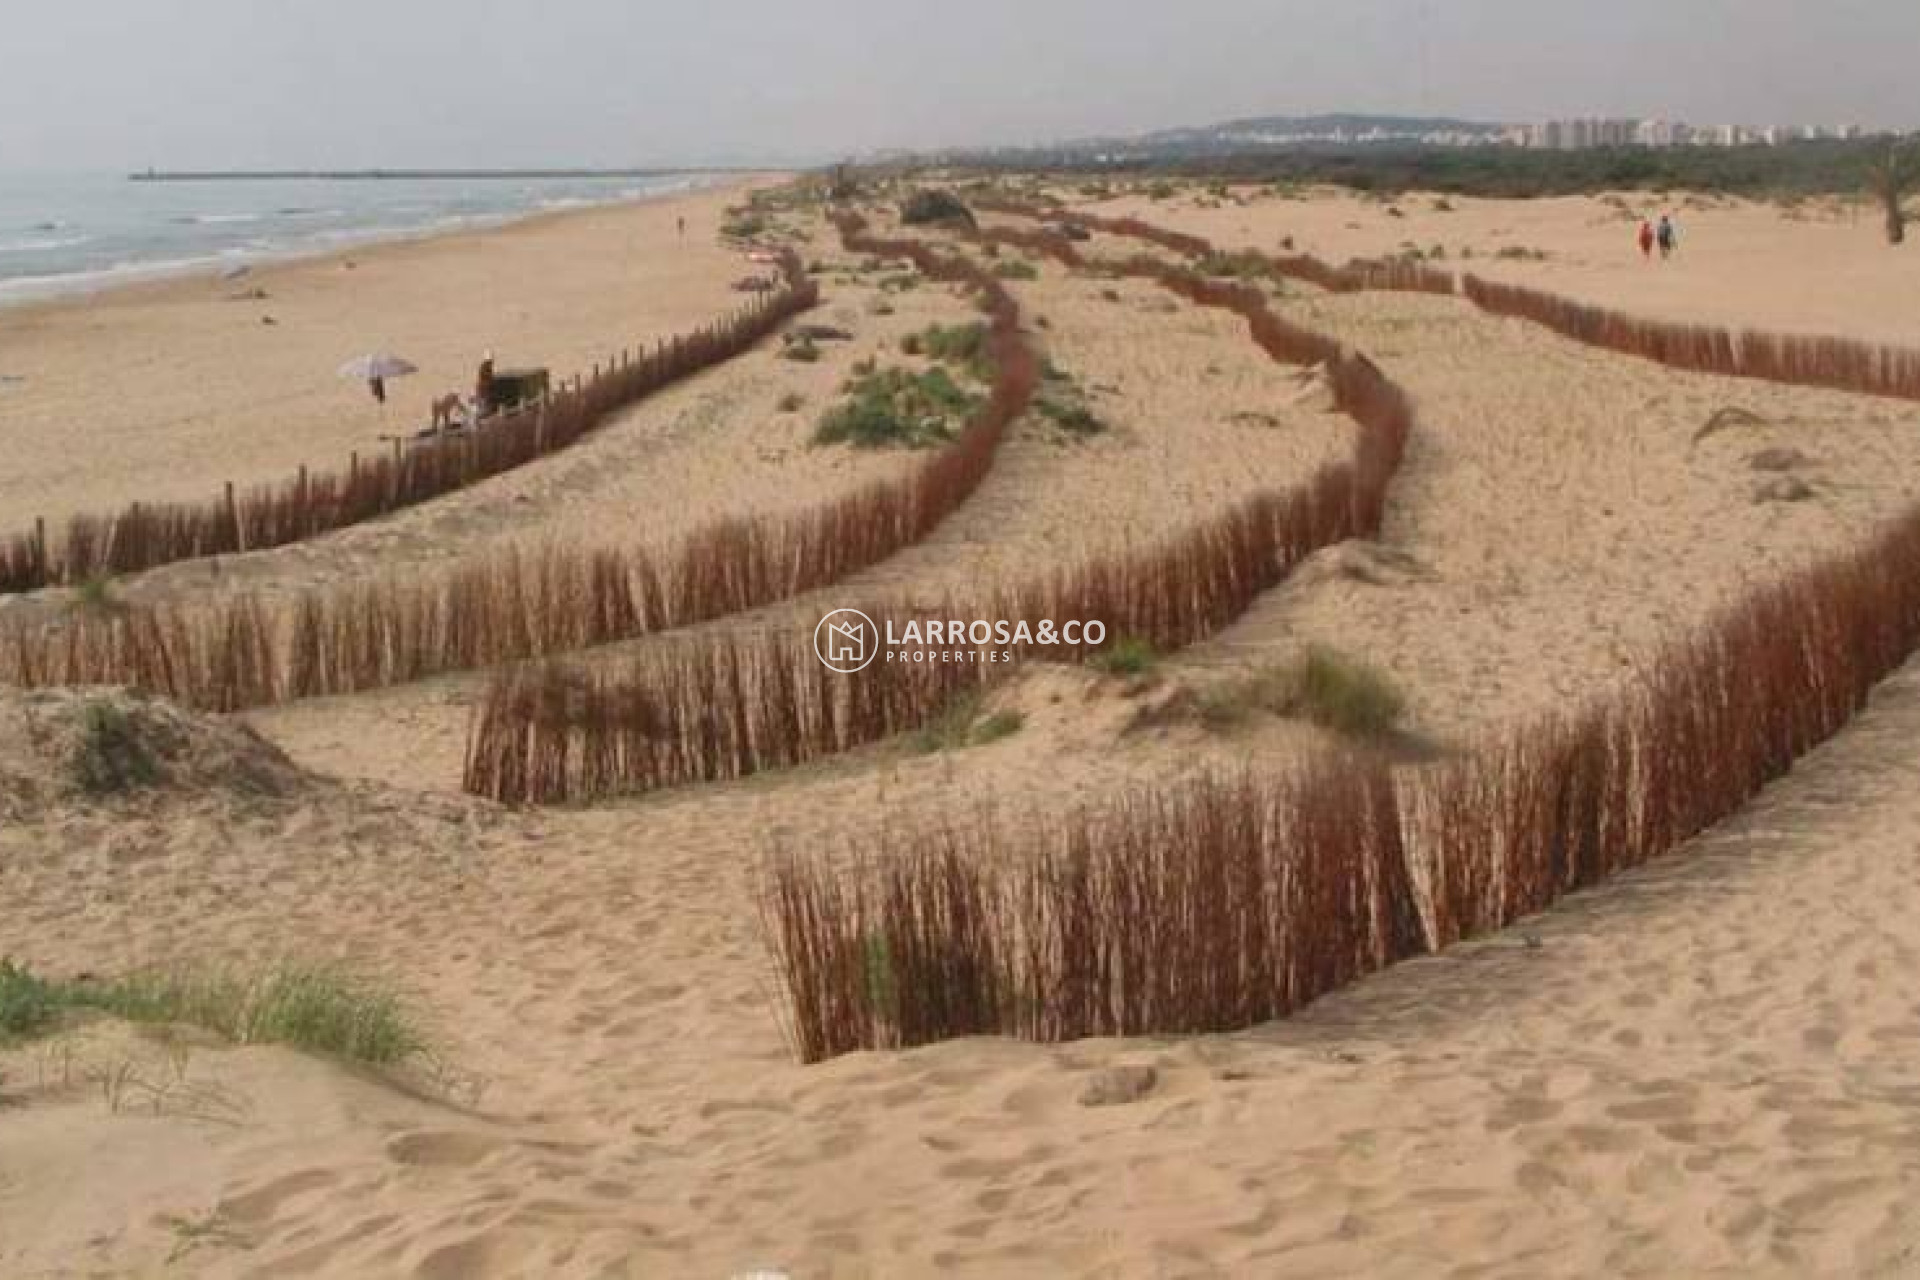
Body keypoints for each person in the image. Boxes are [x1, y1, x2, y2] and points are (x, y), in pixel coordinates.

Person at [475, 350, 496, 418]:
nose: (492, 362)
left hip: (484, 389)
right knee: (484, 405)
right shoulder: (485, 367)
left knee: (484, 405)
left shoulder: (486, 366)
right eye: (491, 360)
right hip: (484, 389)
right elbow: (487, 378)